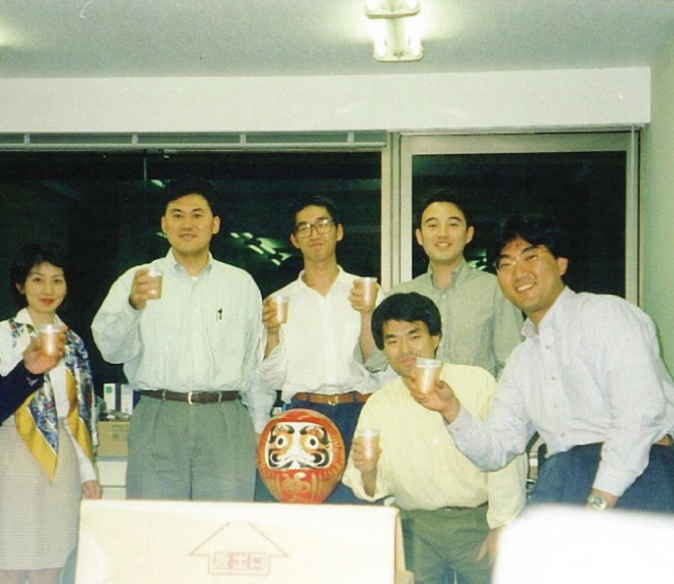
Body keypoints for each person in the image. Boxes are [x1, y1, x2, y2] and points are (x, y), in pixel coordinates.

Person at [417, 213, 674, 513]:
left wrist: (599, 501)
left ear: (560, 263)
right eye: (506, 264)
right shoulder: (522, 359)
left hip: (639, 474)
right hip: (563, 478)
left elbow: (640, 415)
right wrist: (451, 409)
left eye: (531, 257)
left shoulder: (606, 315)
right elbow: (496, 449)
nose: (518, 272)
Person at [92, 175, 272, 501]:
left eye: (197, 214)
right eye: (177, 215)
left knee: (222, 529)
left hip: (226, 419)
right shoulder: (138, 280)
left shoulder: (240, 284)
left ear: (215, 224)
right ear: (164, 224)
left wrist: (259, 423)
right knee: (156, 529)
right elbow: (110, 351)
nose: (187, 223)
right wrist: (132, 307)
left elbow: (255, 359)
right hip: (158, 416)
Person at [342, 292, 526, 584]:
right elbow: (371, 486)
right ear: (383, 349)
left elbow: (506, 459)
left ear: (436, 337)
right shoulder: (380, 404)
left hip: (478, 523)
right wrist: (369, 470)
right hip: (415, 529)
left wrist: (503, 525)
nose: (405, 349)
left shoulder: (477, 382)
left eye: (414, 336)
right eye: (392, 340)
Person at [259, 194, 382, 503]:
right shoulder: (280, 301)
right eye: (304, 228)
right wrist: (272, 333)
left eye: (322, 224)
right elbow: (272, 379)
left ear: (338, 231)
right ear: (294, 240)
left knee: (360, 513)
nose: (314, 234)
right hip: (301, 419)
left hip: (359, 414)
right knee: (306, 525)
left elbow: (381, 365)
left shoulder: (368, 293)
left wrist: (368, 314)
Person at [0, 243, 100, 584]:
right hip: (11, 453)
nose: (48, 289)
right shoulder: (3, 335)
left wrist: (89, 472)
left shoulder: (73, 341)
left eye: (57, 280)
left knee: (52, 561)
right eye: (38, 279)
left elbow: (82, 411)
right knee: (10, 559)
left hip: (64, 460)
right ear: (20, 285)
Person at [391, 188, 523, 378]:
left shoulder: (495, 288)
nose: (442, 234)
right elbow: (376, 362)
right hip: (416, 405)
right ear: (419, 236)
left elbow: (512, 363)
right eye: (432, 225)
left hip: (477, 406)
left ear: (468, 234)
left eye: (453, 224)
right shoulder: (401, 296)